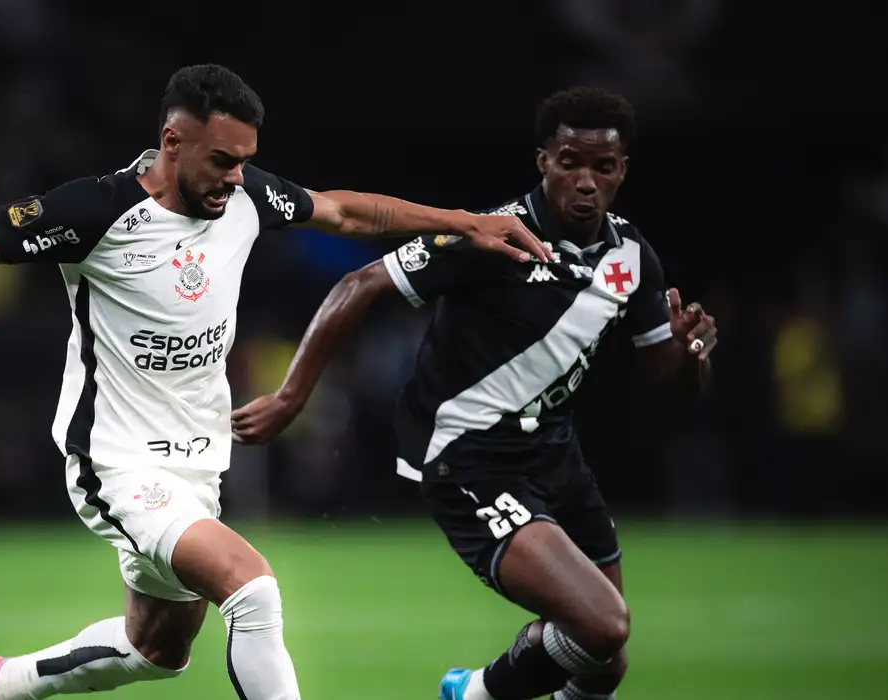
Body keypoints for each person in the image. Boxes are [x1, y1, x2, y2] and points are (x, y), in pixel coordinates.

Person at [0, 63, 550, 700]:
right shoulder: (98, 209)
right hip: (117, 460)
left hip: (197, 462)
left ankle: (1, 684)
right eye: (221, 160)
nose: (236, 177)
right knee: (252, 587)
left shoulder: (244, 196)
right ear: (172, 142)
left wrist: (465, 222)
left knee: (156, 649)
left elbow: (345, 213)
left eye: (244, 161)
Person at [231, 86, 719, 700]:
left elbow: (674, 383)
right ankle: (475, 694)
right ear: (544, 162)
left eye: (603, 166)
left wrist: (692, 355)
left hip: (555, 456)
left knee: (605, 661)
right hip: (468, 455)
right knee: (601, 626)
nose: (585, 181)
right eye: (570, 162)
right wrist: (290, 397)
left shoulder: (632, 258)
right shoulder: (493, 236)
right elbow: (360, 284)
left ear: (622, 171)